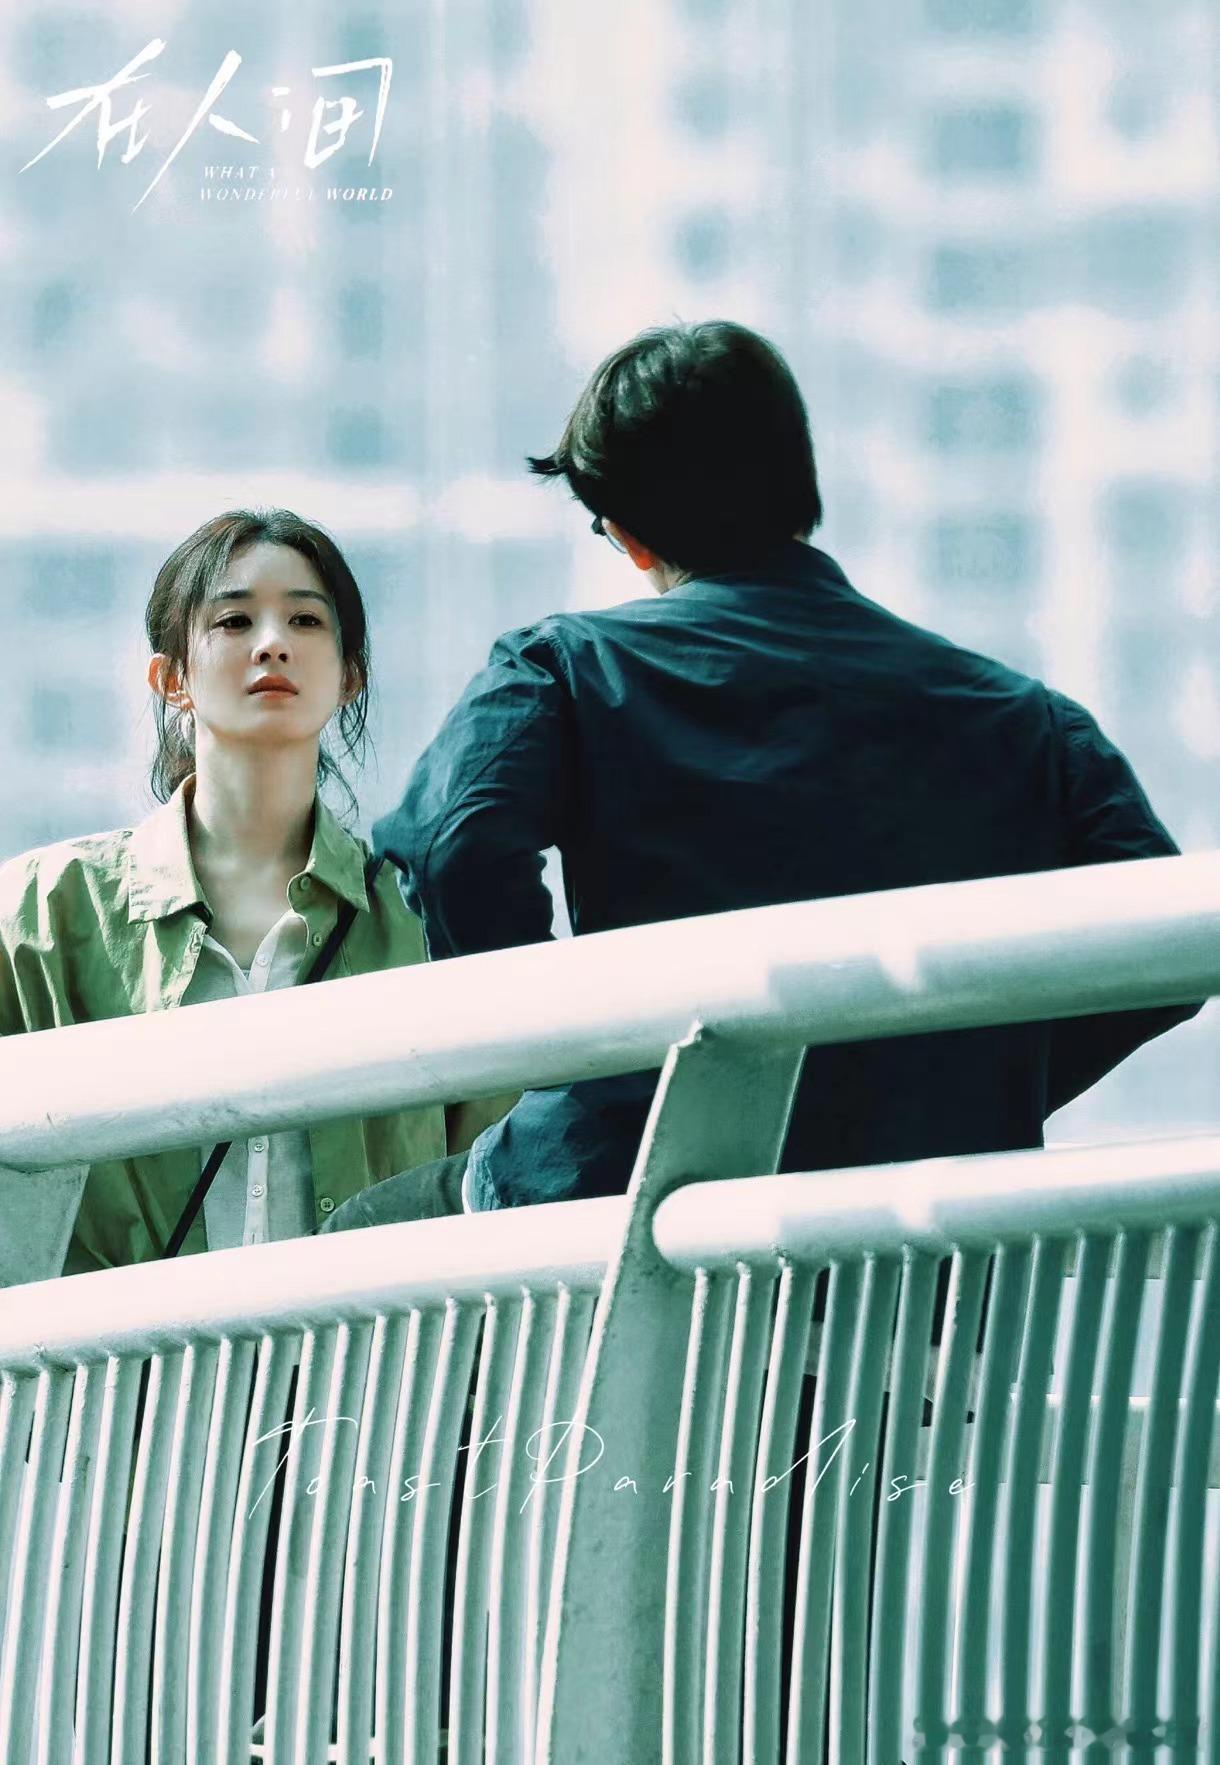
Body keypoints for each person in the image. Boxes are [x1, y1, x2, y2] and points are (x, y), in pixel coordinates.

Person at [331, 320, 1200, 1227]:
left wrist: (569, 1052)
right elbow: (1166, 957)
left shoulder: (567, 671)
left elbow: (450, 845)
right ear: (800, 488)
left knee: (349, 1237)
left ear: (627, 534)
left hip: (623, 1209)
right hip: (916, 1252)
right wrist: (958, 1086)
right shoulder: (1028, 721)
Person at [0, 507, 474, 1277]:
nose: (272, 642)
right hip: (118, 1350)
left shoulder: (420, 917)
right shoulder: (41, 914)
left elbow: (490, 1169)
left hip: (361, 1344)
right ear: (171, 678)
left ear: (350, 674)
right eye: (234, 620)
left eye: (305, 620)